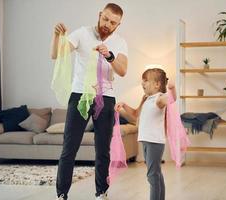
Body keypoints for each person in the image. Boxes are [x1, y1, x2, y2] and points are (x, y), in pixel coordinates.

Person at [50, 3, 128, 200]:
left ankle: (101, 192)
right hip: (79, 96)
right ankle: (61, 194)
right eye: (106, 19)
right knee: (69, 147)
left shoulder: (120, 42)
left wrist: (109, 55)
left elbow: (122, 70)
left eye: (113, 23)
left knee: (103, 149)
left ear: (118, 25)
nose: (107, 24)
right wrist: (57, 37)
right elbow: (56, 55)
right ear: (100, 15)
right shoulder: (82, 33)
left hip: (106, 98)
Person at [115, 68, 176, 200]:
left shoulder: (159, 99)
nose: (142, 82)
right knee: (156, 173)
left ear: (157, 84)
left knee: (152, 175)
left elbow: (170, 100)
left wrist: (172, 90)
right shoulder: (146, 98)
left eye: (146, 80)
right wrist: (124, 107)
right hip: (147, 140)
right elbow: (136, 114)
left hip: (154, 142)